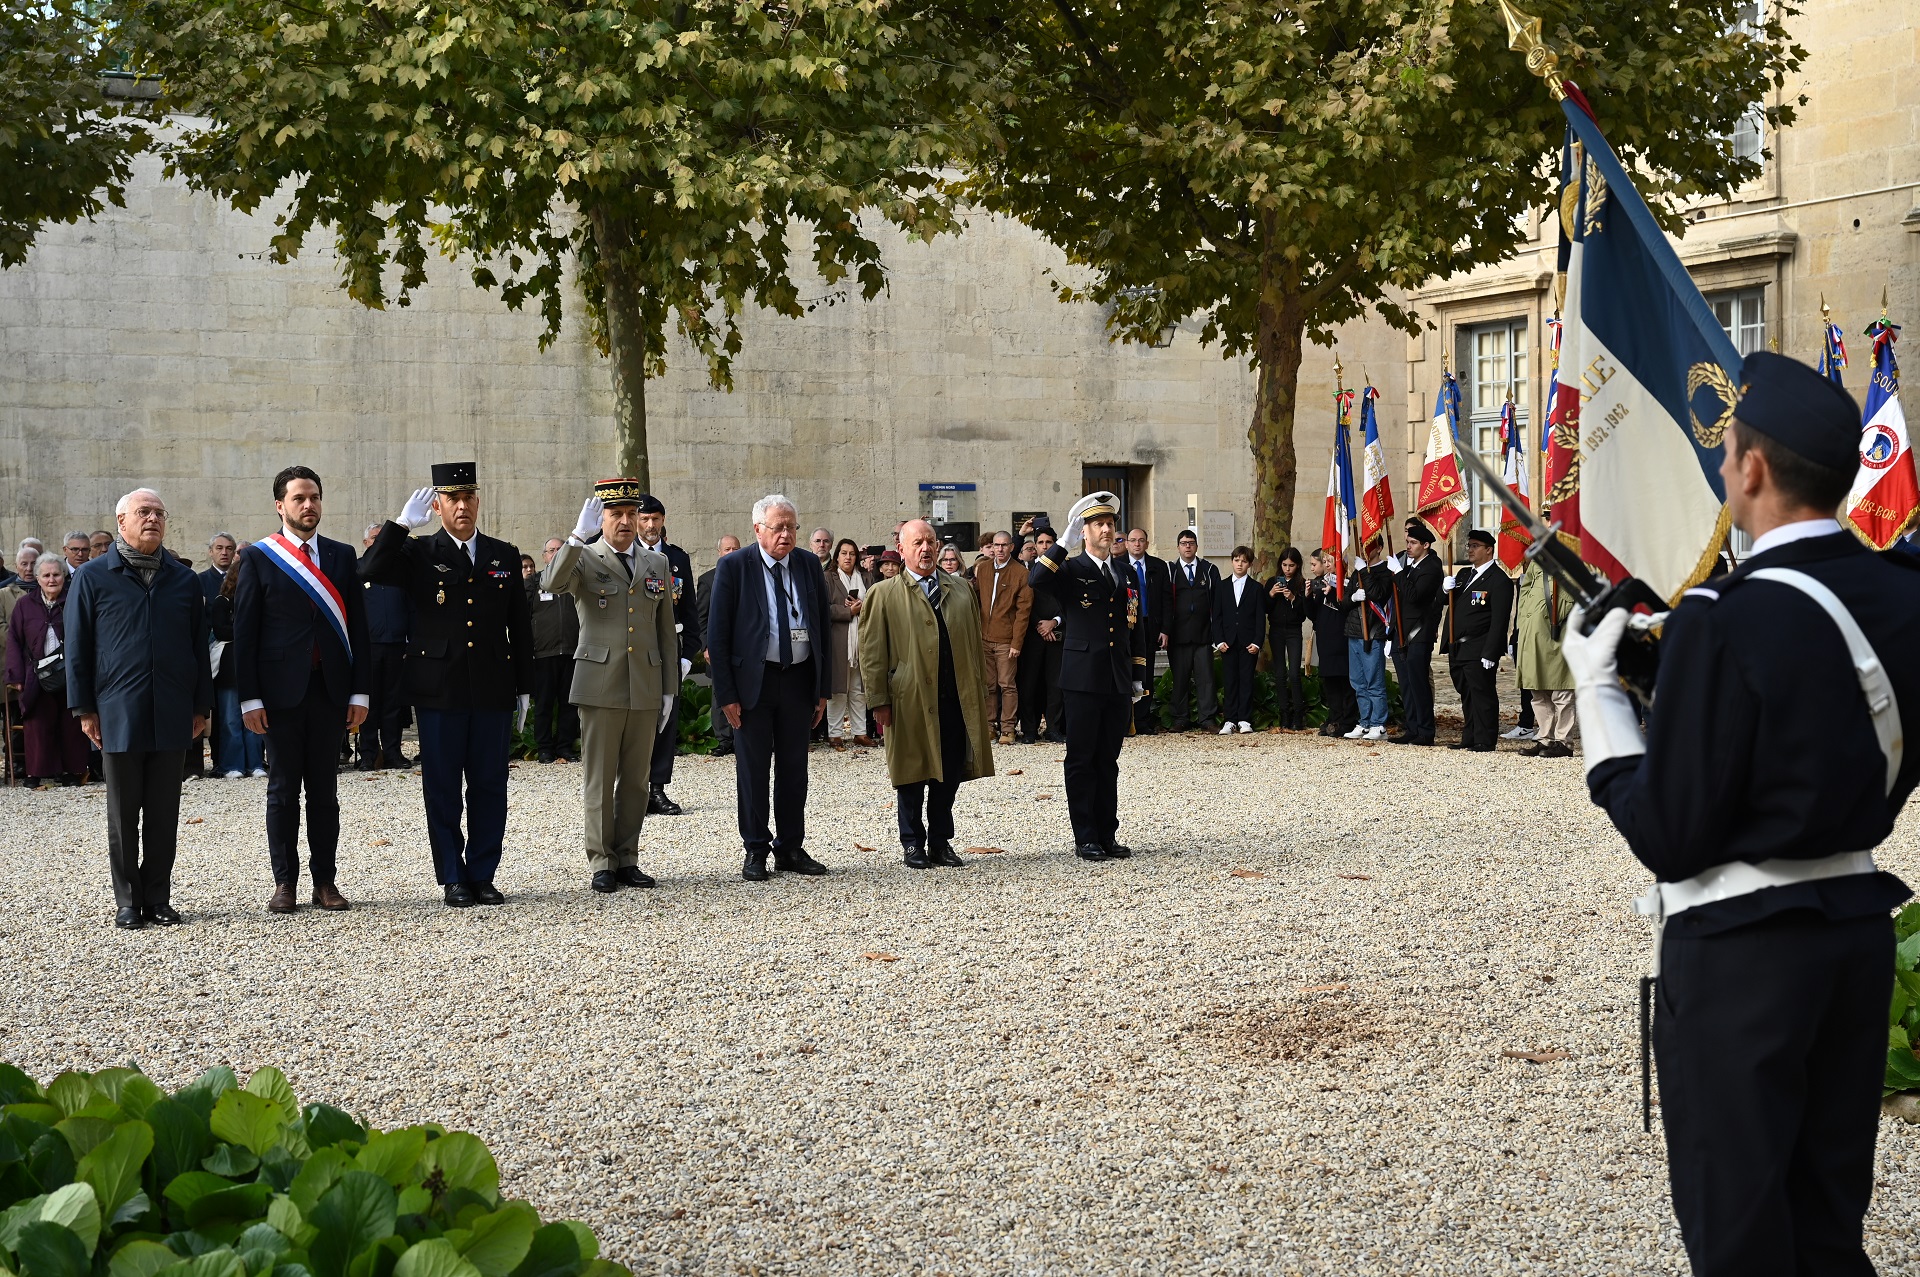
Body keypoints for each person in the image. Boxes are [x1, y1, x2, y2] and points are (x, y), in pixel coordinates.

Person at [1569, 351, 1919, 1276]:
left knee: (1742, 1240)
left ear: (1752, 469)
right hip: (1853, 936)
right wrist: (1673, 670)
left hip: (1742, 955)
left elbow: (1669, 833)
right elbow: (1814, 713)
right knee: (1825, 1228)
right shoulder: (1903, 594)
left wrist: (1600, 690)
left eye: (1727, 450)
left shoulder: (1725, 616)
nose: (1724, 465)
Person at [362, 462, 534, 908]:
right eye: (452, 499)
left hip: (493, 684)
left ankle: (483, 871)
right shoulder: (418, 552)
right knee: (442, 785)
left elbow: (520, 623)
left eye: (469, 497)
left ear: (477, 501)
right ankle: (452, 875)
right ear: (437, 505)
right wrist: (400, 526)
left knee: (490, 784)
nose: (462, 506)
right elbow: (370, 569)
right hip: (439, 688)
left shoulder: (503, 553)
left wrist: (524, 685)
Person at [65, 488, 212, 929]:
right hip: (117, 710)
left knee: (164, 812)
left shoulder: (183, 580)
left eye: (159, 513)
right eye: (143, 512)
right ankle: (128, 900)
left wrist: (201, 707)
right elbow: (78, 648)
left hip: (172, 709)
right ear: (122, 520)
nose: (153, 519)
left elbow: (197, 649)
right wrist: (85, 709)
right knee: (123, 812)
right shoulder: (92, 577)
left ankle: (159, 897)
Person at [233, 466, 371, 914]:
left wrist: (360, 693)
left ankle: (325, 882)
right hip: (279, 695)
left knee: (325, 792)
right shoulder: (258, 557)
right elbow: (246, 634)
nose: (308, 505)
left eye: (314, 497)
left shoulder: (341, 555)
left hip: (330, 691)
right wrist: (250, 698)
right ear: (280, 505)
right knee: (283, 789)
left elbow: (359, 630)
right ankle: (284, 882)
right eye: (298, 499)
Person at [543, 481, 680, 893]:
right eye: (615, 514)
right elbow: (550, 582)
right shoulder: (584, 558)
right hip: (600, 683)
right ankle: (601, 861)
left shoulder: (655, 563)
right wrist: (574, 538)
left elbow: (664, 630)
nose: (624, 521)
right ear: (601, 519)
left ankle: (627, 857)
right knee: (600, 779)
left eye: (630, 513)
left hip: (644, 682)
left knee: (637, 780)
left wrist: (669, 686)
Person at [707, 494, 832, 881]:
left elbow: (822, 629)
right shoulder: (734, 567)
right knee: (754, 769)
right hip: (752, 686)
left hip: (797, 680)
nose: (786, 534)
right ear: (758, 529)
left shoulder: (809, 565)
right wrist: (726, 694)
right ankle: (756, 849)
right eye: (778, 527)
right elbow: (719, 635)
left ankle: (791, 848)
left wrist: (822, 689)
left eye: (792, 527)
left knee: (795, 769)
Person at [861, 519, 994, 868]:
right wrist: (879, 701)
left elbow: (974, 647)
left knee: (948, 773)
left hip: (954, 698)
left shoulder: (962, 589)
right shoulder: (883, 594)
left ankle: (940, 841)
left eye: (931, 541)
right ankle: (912, 843)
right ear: (901, 549)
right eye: (917, 542)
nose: (926, 548)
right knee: (911, 771)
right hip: (909, 700)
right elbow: (872, 654)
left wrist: (980, 691)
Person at [1028, 491, 1148, 862]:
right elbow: (1036, 579)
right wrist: (1062, 542)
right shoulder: (1070, 569)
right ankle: (1086, 836)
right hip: (1081, 678)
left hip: (1115, 678)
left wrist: (1138, 674)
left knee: (1108, 759)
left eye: (1111, 524)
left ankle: (1107, 833)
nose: (1108, 530)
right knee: (1081, 758)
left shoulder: (1125, 571)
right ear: (1085, 531)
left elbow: (1134, 623)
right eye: (1099, 524)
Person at [632, 496, 699, 816]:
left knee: (665, 721)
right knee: (631, 721)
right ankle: (632, 789)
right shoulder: (622, 556)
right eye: (644, 519)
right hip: (631, 651)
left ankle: (656, 789)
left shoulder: (676, 559)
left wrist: (687, 656)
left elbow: (690, 610)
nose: (650, 525)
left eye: (656, 519)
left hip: (668, 651)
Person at [4, 554, 89, 785]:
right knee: (37, 724)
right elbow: (14, 640)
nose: (52, 579)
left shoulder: (74, 600)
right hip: (36, 675)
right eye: (47, 575)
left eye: (56, 574)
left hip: (69, 673)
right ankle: (37, 773)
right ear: (38, 579)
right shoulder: (24, 604)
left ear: (64, 576)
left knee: (71, 724)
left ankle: (72, 771)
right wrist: (16, 675)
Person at [1442, 529, 1513, 751]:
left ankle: (1485, 739)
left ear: (1488, 549)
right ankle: (1470, 736)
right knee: (1467, 694)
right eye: (1469, 546)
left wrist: (1491, 652)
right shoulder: (1463, 574)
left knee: (1482, 695)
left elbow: (1499, 621)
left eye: (1475, 546)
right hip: (1458, 645)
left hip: (1478, 645)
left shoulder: (1498, 580)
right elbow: (1444, 603)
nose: (1470, 550)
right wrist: (1445, 590)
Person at [1383, 519, 1445, 747]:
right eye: (1407, 542)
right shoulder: (1410, 567)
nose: (1408, 546)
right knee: (1407, 684)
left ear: (1426, 545)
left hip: (1419, 633)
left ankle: (1426, 731)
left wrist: (1399, 574)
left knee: (1419, 683)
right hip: (1402, 632)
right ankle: (1412, 727)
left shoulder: (1431, 567)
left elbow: (1414, 597)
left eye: (1414, 543)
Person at [355, 522, 411, 771]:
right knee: (369, 703)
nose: (379, 542)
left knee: (393, 703)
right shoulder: (357, 569)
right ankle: (367, 754)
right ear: (366, 542)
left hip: (397, 646)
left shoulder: (399, 570)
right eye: (375, 537)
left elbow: (411, 608)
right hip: (368, 648)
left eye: (383, 538)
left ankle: (392, 752)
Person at [1513, 554, 1576, 759]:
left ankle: (1563, 741)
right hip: (1533, 633)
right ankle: (1544, 738)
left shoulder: (1574, 555)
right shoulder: (1539, 558)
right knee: (1537, 690)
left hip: (1558, 632)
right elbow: (1526, 591)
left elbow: (1574, 593)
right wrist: (1523, 624)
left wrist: (1557, 615)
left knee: (1561, 690)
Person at [973, 530, 1031, 747]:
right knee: (988, 684)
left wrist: (1017, 643)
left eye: (1004, 545)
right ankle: (989, 725)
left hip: (1006, 639)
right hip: (983, 637)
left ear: (1011, 547)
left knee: (1007, 684)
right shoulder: (983, 569)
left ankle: (1008, 728)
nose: (999, 549)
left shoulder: (1020, 573)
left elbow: (1023, 612)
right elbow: (975, 600)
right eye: (996, 545)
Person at [208, 557, 265, 778]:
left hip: (255, 664)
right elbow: (221, 631)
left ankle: (255, 763)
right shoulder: (222, 601)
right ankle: (232, 764)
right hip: (230, 666)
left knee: (256, 715)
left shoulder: (261, 601)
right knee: (231, 719)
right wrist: (247, 632)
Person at [527, 535, 582, 764]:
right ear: (544, 556)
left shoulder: (576, 582)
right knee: (544, 704)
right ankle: (545, 748)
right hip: (543, 654)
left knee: (569, 704)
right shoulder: (533, 583)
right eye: (552, 550)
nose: (556, 553)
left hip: (572, 651)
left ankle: (565, 746)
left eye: (561, 549)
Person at [1165, 528, 1221, 732]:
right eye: (1183, 543)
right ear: (1178, 547)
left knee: (1205, 679)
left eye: (1191, 543)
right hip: (1178, 635)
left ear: (1196, 546)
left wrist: (1217, 633)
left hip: (1203, 634)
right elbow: (1165, 602)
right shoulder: (1170, 570)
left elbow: (1217, 602)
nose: (1187, 546)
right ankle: (1180, 718)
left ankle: (1207, 718)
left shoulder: (1209, 570)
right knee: (1179, 679)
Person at [1016, 523, 1066, 744]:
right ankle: (1029, 729)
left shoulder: (1067, 569)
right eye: (1041, 543)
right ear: (1034, 546)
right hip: (1032, 635)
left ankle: (1054, 728)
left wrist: (1054, 622)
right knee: (1030, 684)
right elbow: (1024, 604)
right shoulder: (1026, 570)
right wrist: (1039, 624)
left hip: (1056, 634)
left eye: (1049, 542)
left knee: (1055, 684)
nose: (1045, 546)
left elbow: (1070, 602)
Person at [822, 537, 873, 749]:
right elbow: (821, 608)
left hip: (862, 641)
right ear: (837, 556)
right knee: (838, 692)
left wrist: (863, 607)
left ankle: (860, 733)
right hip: (839, 642)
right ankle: (834, 735)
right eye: (844, 553)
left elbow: (877, 602)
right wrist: (847, 611)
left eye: (852, 554)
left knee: (858, 690)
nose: (848, 557)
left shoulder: (866, 577)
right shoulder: (827, 578)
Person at [1122, 528, 1172, 735]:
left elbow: (1167, 600)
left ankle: (1142, 720)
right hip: (1126, 628)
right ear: (1126, 544)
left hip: (1149, 626)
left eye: (1141, 540)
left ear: (1147, 543)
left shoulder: (1158, 567)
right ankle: (1125, 720)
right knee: (1125, 673)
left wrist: (1165, 629)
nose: (1136, 544)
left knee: (1146, 674)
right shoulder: (1119, 566)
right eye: (1132, 540)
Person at [696, 534, 742, 757]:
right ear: (719, 552)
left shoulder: (749, 577)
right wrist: (706, 647)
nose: (731, 553)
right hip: (718, 648)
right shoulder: (707, 580)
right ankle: (724, 739)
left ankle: (742, 738)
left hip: (744, 649)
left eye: (735, 549)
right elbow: (701, 619)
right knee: (720, 694)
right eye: (727, 549)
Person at [1211, 545, 1264, 733]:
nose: (1239, 564)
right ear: (1232, 561)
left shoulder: (1256, 588)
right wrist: (1218, 640)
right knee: (1230, 680)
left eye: (1243, 561)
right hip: (1228, 642)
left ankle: (1244, 719)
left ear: (1249, 564)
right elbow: (1216, 616)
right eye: (1236, 560)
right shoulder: (1221, 586)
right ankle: (1230, 719)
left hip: (1248, 642)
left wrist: (1258, 642)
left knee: (1247, 680)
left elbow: (1260, 618)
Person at [1341, 553, 1392, 741]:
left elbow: (1378, 593)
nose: (1364, 550)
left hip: (1372, 631)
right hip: (1354, 631)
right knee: (1357, 681)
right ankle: (1365, 722)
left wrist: (1364, 571)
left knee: (1374, 680)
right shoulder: (1357, 573)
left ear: (1378, 548)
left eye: (1369, 546)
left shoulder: (1385, 571)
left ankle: (1378, 724)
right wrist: (1353, 598)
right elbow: (1343, 603)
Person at [1306, 549, 1357, 736]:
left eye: (1330, 561)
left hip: (1341, 638)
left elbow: (1345, 609)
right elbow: (1313, 615)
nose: (1327, 564)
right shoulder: (1323, 582)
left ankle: (1348, 720)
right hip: (1325, 640)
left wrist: (1333, 592)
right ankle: (1334, 719)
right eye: (1325, 561)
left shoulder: (1346, 583)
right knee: (1330, 682)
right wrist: (1307, 596)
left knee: (1345, 681)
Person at [1264, 548, 1310, 729]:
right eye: (1284, 565)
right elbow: (1265, 609)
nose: (1287, 569)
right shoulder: (1272, 582)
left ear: (1297, 565)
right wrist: (1271, 594)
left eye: (1291, 565)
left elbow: (1303, 614)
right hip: (1276, 630)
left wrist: (1293, 598)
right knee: (1280, 673)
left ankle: (1298, 715)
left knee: (1294, 673)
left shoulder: (1301, 584)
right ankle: (1284, 713)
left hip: (1293, 631)